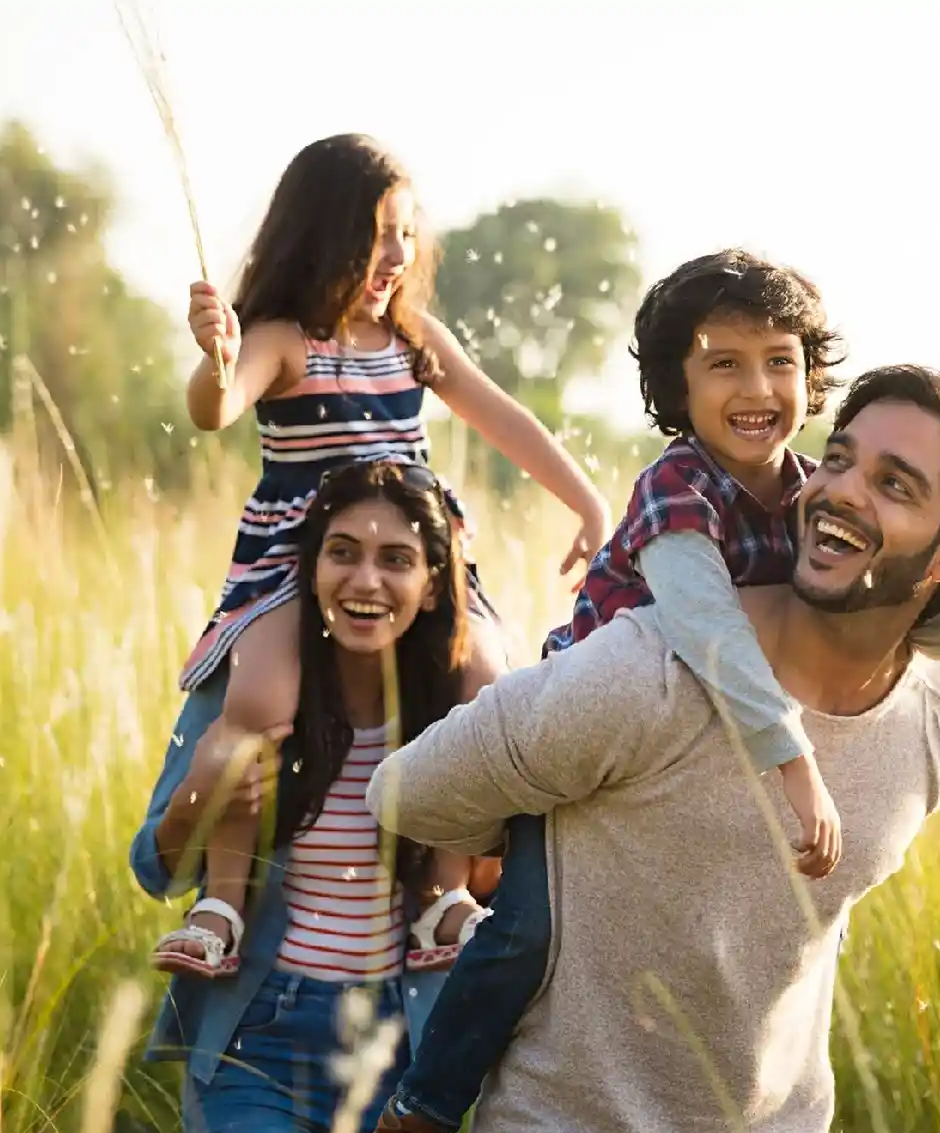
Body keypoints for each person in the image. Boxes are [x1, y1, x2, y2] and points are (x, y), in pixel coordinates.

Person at [357, 250, 940, 1133]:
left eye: (779, 362)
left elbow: (934, 621)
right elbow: (703, 627)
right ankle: (418, 1120)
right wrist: (539, 816)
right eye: (721, 363)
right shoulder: (667, 541)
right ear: (675, 387)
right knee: (523, 931)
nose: (846, 490)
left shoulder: (935, 714)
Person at [149, 132, 611, 982]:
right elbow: (217, 407)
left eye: (405, 232)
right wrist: (215, 357)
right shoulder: (285, 338)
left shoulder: (413, 341)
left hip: (415, 567)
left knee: (480, 685)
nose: (394, 255)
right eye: (373, 234)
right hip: (299, 566)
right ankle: (221, 901)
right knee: (261, 695)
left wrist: (585, 499)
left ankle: (442, 894)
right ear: (318, 235)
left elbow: (503, 418)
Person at [127, 459, 503, 1133]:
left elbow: (496, 887)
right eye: (343, 554)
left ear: (432, 585)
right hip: (256, 1037)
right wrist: (203, 789)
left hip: (404, 1047)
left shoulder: (455, 713)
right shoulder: (247, 688)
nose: (365, 582)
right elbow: (156, 867)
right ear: (312, 566)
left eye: (396, 560)